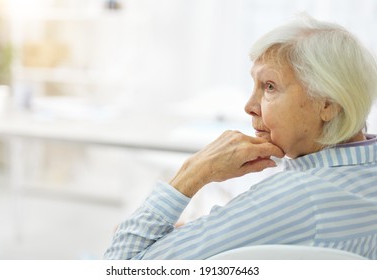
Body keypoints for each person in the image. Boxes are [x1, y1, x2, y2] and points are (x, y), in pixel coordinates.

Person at [104, 15, 377, 260]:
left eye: (269, 86)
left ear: (328, 104)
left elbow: (121, 265)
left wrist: (195, 170)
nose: (249, 105)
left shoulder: (296, 196)